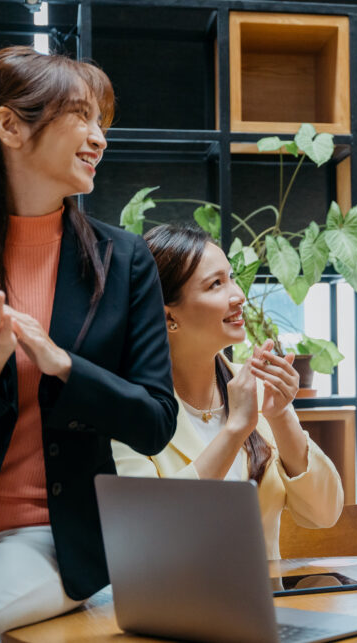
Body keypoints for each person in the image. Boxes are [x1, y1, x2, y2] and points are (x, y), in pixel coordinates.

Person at [0, 46, 177, 642]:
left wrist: (64, 367)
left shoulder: (125, 260)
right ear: (10, 126)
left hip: (52, 542)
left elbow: (155, 421)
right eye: (81, 117)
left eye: (102, 122)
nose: (99, 138)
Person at [112, 223, 342, 558]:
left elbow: (324, 514)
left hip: (266, 605)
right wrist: (235, 431)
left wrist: (280, 416)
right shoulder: (124, 408)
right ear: (166, 315)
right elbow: (153, 532)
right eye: (215, 284)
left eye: (231, 277)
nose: (238, 295)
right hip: (171, 607)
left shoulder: (253, 390)